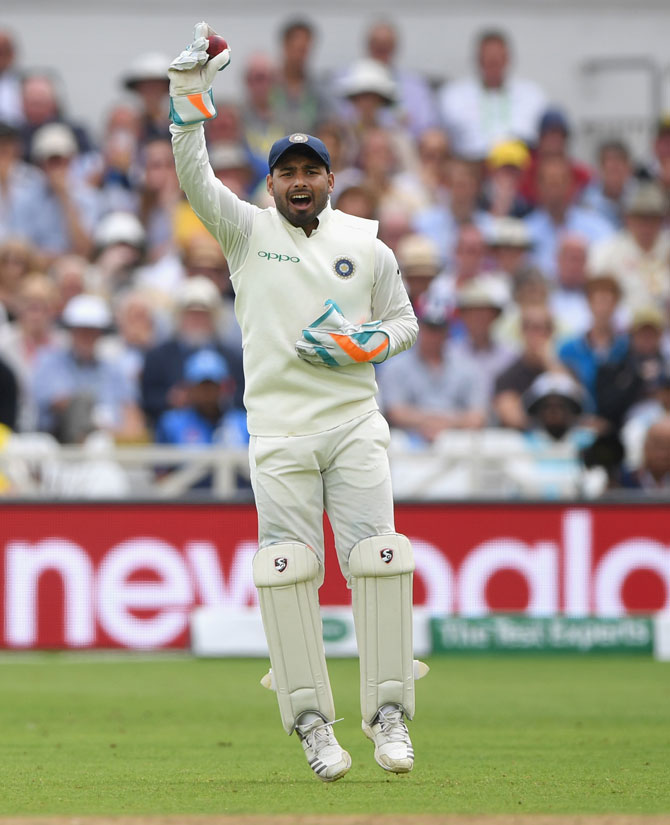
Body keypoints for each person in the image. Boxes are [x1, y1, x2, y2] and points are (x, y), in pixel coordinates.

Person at [168, 22, 420, 782]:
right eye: (288, 171)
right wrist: (188, 95)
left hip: (351, 421)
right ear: (271, 182)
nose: (300, 180)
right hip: (278, 428)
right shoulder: (246, 233)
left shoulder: (367, 244)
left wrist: (364, 346)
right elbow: (193, 175)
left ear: (330, 180)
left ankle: (390, 718)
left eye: (312, 169)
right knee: (284, 568)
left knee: (377, 557)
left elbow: (404, 323)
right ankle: (313, 725)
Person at [437, 29, 547, 161]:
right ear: (477, 60)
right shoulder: (453, 95)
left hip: (519, 165)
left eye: (498, 59)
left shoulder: (532, 94)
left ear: (508, 59)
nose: (493, 65)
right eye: (488, 60)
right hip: (471, 167)